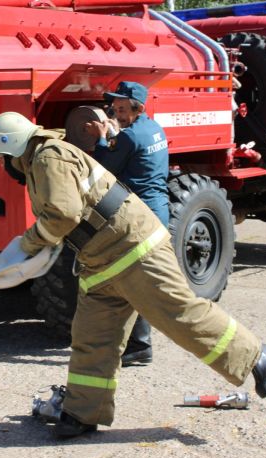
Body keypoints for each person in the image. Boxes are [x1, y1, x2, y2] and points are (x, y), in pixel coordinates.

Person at [0, 111, 266, 438]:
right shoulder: (42, 161)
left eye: (2, 158)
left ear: (14, 145)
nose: (4, 167)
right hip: (101, 262)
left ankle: (254, 356)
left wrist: (28, 243)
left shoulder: (49, 157)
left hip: (134, 251)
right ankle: (81, 413)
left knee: (178, 314)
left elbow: (63, 215)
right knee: (93, 338)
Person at [84, 81, 169, 367]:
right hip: (159, 209)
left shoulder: (130, 138)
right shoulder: (154, 129)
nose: (116, 112)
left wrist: (100, 138)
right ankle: (137, 344)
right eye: (114, 107)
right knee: (142, 278)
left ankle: (140, 346)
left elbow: (102, 169)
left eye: (122, 108)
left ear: (139, 108)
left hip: (138, 216)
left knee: (133, 281)